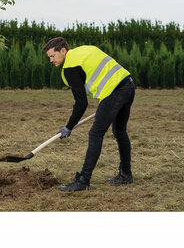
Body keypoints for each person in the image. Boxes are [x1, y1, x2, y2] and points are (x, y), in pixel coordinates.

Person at [43, 37, 135, 192]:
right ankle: (126, 175)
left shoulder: (70, 67)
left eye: (53, 56)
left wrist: (69, 126)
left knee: (95, 134)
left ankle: (83, 180)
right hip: (128, 85)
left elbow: (81, 103)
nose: (51, 60)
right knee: (119, 132)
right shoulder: (83, 50)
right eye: (49, 57)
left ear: (63, 51)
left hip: (114, 92)